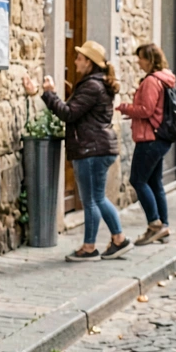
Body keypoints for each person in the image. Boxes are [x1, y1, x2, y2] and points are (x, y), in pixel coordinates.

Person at [22, 41, 132, 262]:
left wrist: (49, 94)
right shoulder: (95, 84)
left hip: (91, 149)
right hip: (97, 147)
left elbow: (69, 113)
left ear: (89, 62)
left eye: (80, 58)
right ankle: (118, 239)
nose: (75, 61)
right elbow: (79, 111)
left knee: (93, 199)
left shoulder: (92, 86)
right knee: (96, 198)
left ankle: (91, 246)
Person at [118, 43, 176, 245]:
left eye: (141, 58)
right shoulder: (163, 79)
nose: (138, 62)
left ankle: (155, 224)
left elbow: (146, 110)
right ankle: (164, 226)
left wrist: (126, 108)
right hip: (158, 138)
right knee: (154, 182)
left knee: (137, 180)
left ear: (150, 59)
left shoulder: (152, 81)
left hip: (149, 139)